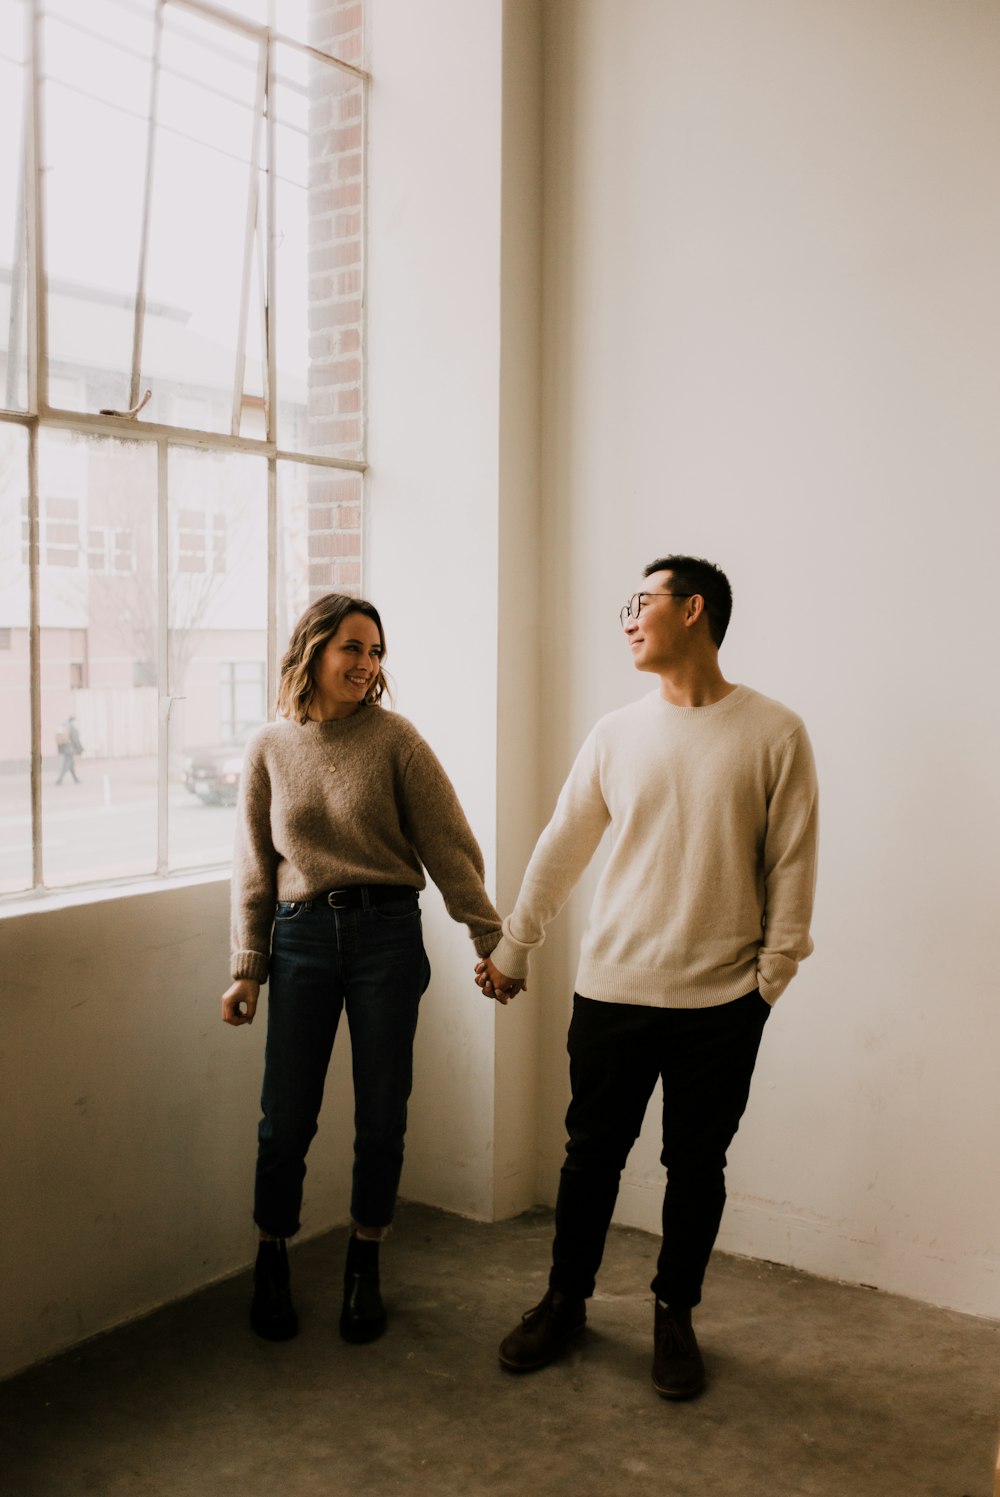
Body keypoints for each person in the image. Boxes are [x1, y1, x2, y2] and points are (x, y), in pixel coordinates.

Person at [476, 555, 818, 1400]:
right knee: (590, 1158)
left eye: (642, 602)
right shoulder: (615, 733)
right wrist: (516, 947)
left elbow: (793, 864)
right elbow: (562, 845)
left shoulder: (775, 731)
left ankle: (674, 1312)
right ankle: (565, 1302)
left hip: (721, 1002)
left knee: (695, 1166)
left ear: (693, 610)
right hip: (612, 992)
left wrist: (768, 980)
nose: (627, 619)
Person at [222, 593, 502, 1345]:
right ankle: (272, 1257)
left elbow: (448, 845)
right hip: (301, 937)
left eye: (376, 651)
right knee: (286, 1120)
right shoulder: (270, 748)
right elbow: (254, 865)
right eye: (353, 647)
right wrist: (247, 966)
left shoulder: (395, 740)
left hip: (386, 937)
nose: (368, 664)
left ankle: (364, 1262)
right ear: (312, 650)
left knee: (382, 1117)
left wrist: (490, 938)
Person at [55, 715, 83, 784]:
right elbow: (76, 740)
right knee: (67, 764)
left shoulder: (63, 725)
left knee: (71, 764)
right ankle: (59, 779)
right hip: (69, 748)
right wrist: (80, 748)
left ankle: (76, 779)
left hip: (63, 747)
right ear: (73, 720)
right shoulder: (72, 727)